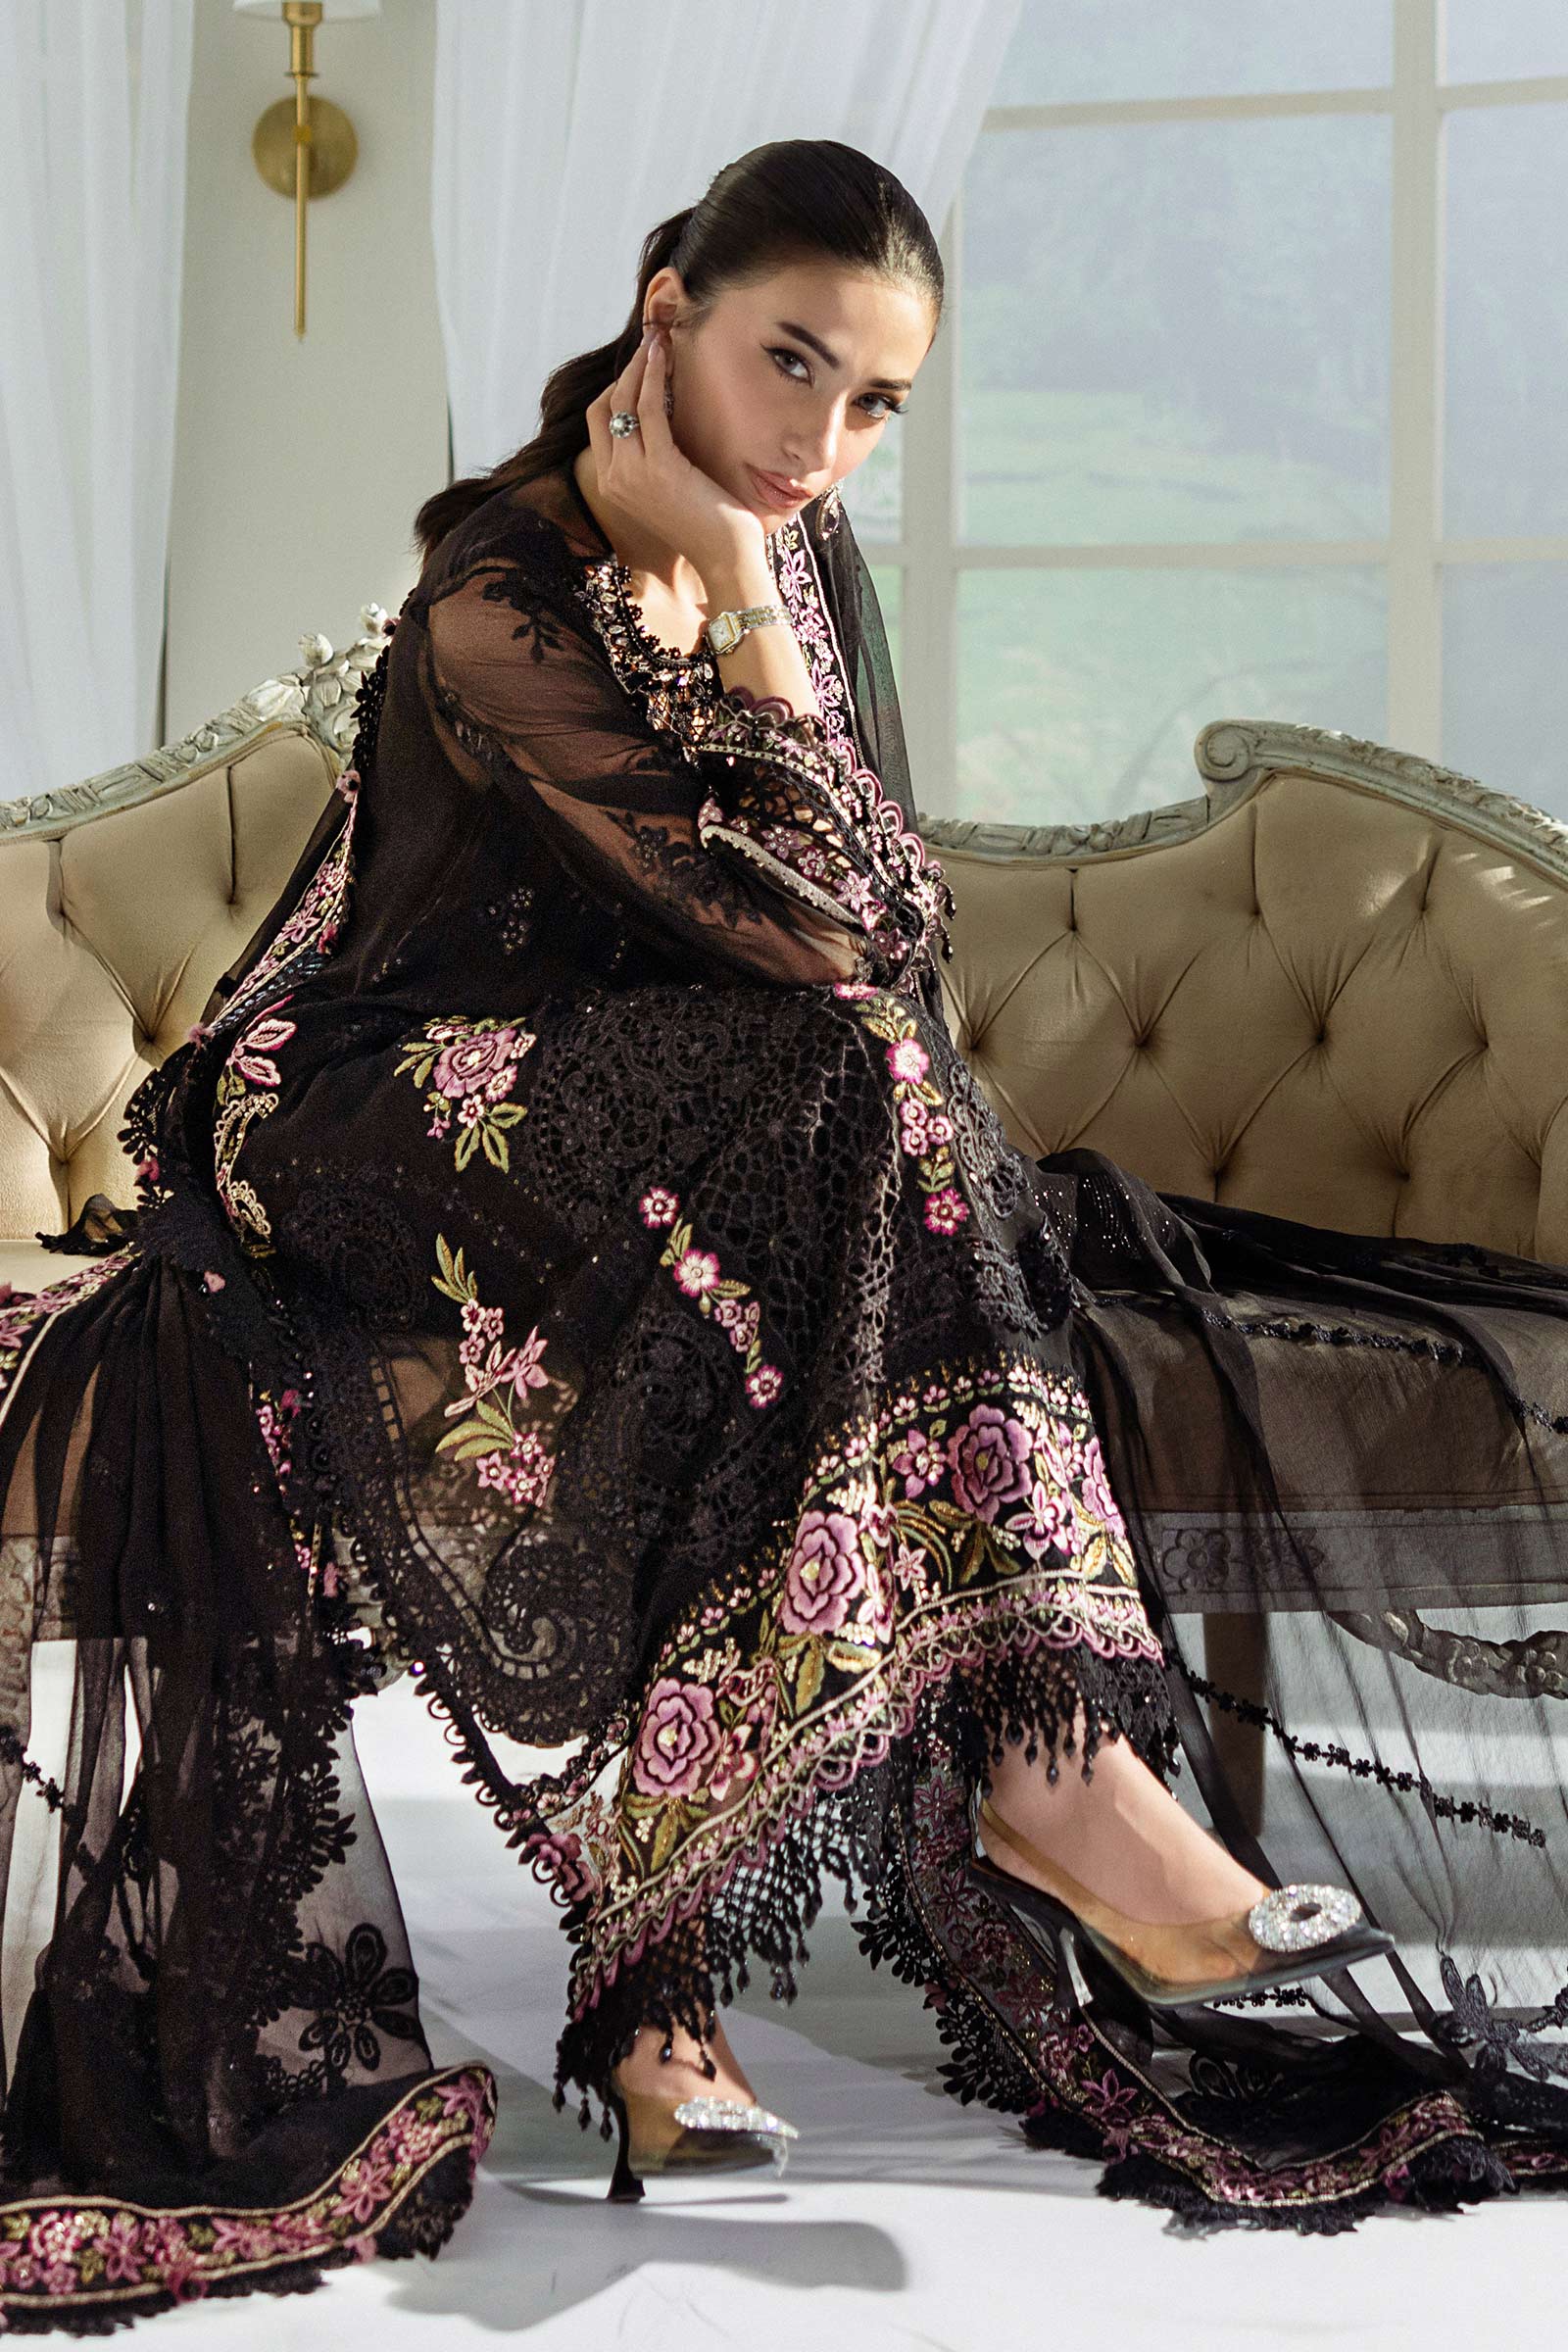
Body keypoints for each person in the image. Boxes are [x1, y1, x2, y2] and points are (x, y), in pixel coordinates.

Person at [4, 137, 1568, 2328]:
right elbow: (825, 939)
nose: (822, 443)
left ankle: (707, 1979)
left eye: (876, 403)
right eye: (790, 364)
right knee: (844, 1094)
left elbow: (884, 936)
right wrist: (738, 585)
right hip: (378, 1099)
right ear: (668, 314)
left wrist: (752, 575)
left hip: (685, 1116)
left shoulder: (787, 546)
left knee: (802, 1198)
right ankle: (1047, 1783)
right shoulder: (500, 602)